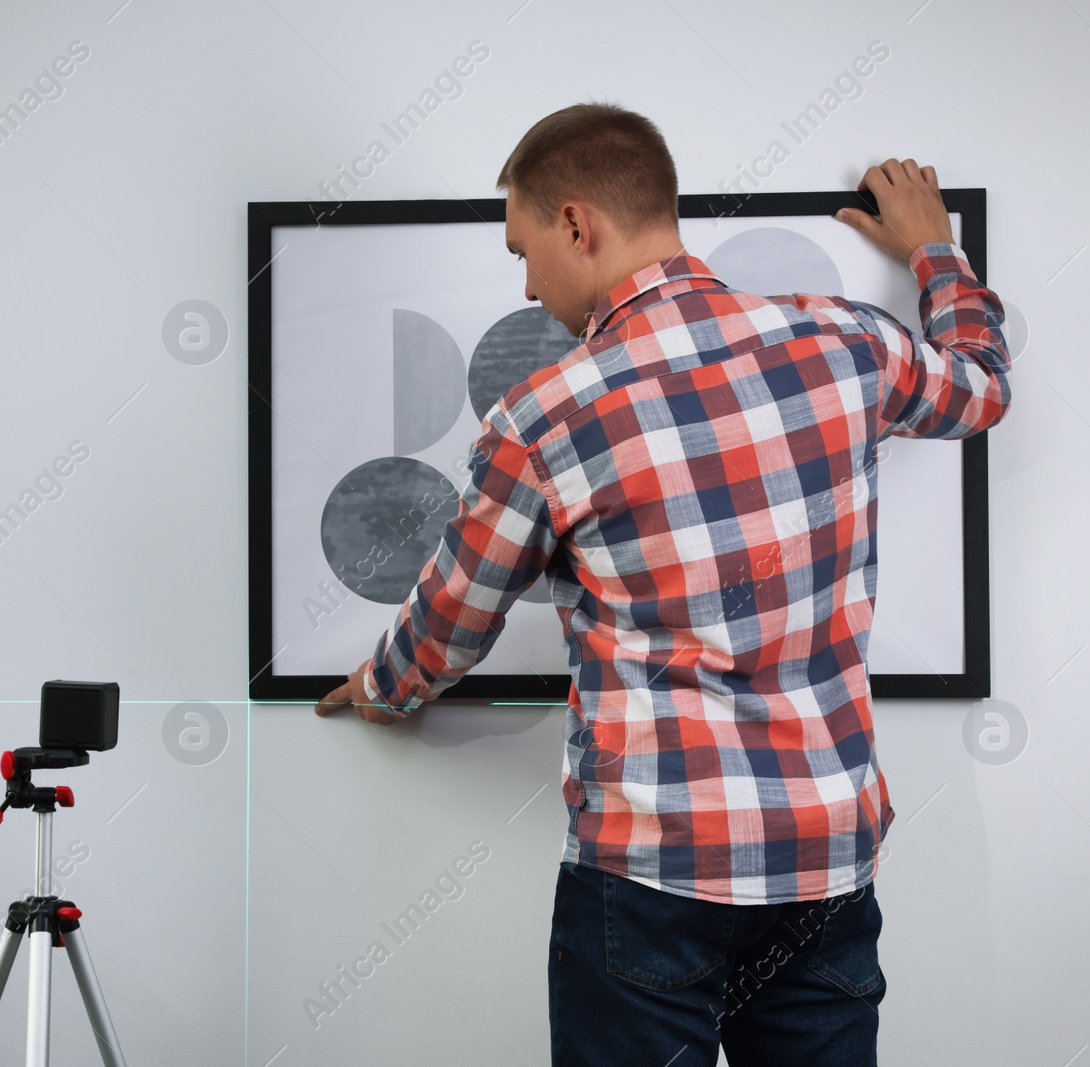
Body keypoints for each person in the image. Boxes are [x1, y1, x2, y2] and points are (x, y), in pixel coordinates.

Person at [314, 101, 1011, 1065]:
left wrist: (383, 689)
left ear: (576, 224)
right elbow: (981, 384)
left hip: (649, 875)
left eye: (523, 248)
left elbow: (452, 618)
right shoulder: (848, 345)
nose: (525, 279)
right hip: (826, 860)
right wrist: (934, 251)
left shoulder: (544, 417)